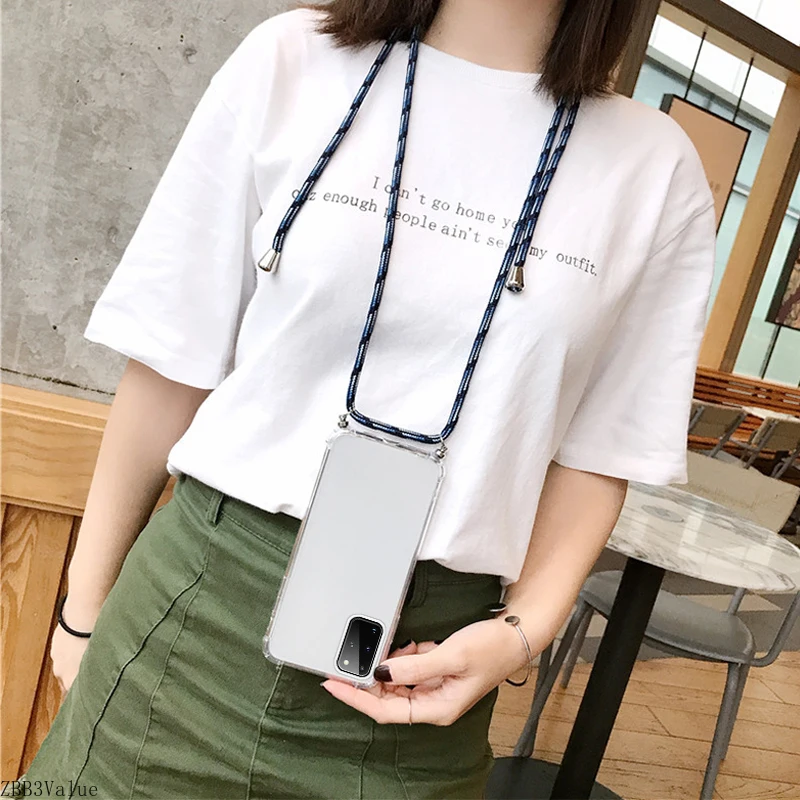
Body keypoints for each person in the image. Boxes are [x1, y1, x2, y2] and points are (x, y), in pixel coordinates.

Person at [12, 0, 716, 797]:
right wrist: (81, 612)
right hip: (194, 618)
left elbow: (600, 450)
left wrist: (524, 631)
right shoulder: (292, 62)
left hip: (418, 674)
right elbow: (172, 362)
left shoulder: (653, 168)